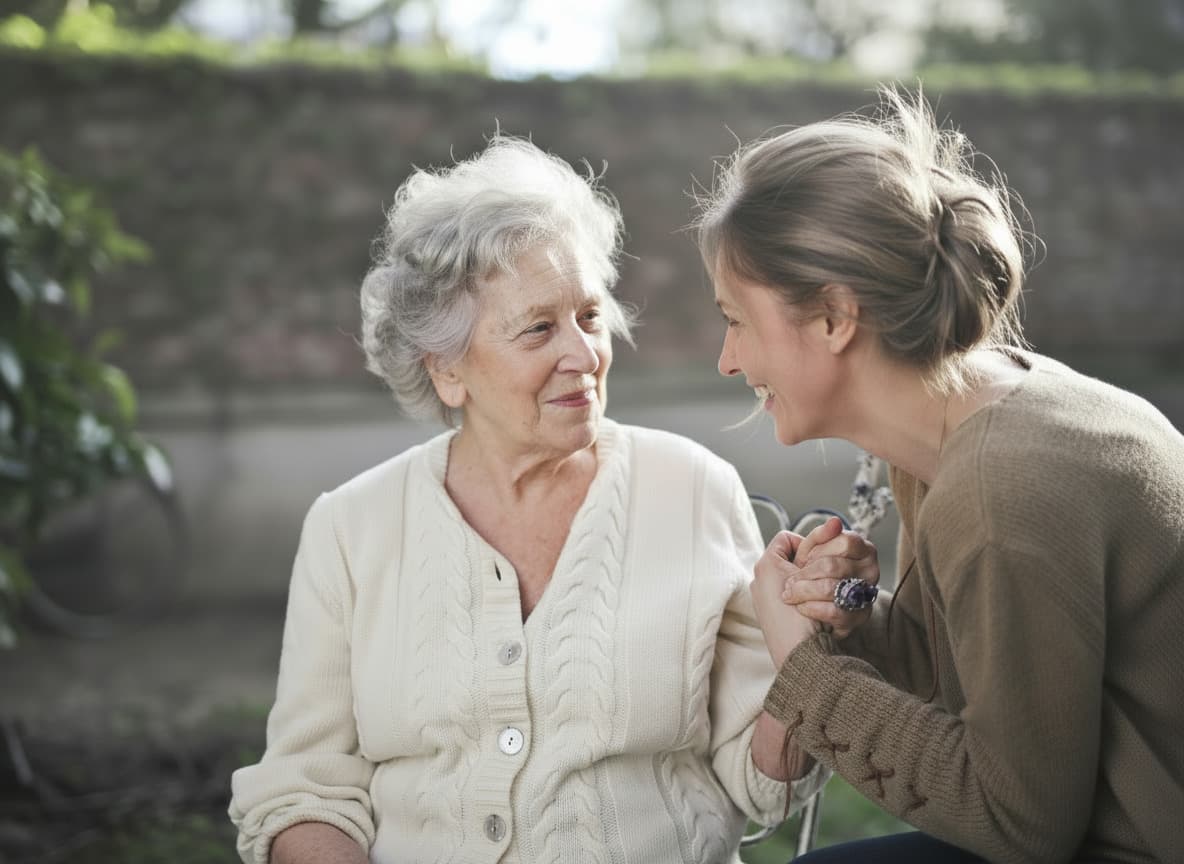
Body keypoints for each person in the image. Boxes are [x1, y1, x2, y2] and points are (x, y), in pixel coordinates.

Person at [228, 135, 869, 864]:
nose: (584, 354)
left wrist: (810, 646)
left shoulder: (691, 490)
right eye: (538, 328)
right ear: (446, 370)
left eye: (589, 318)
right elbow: (306, 791)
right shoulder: (351, 528)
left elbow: (764, 789)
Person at [695, 87, 1184, 864]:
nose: (728, 360)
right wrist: (853, 613)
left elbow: (1020, 823)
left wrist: (803, 669)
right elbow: (991, 670)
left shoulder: (1001, 490)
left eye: (735, 319)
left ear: (832, 317)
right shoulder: (972, 414)